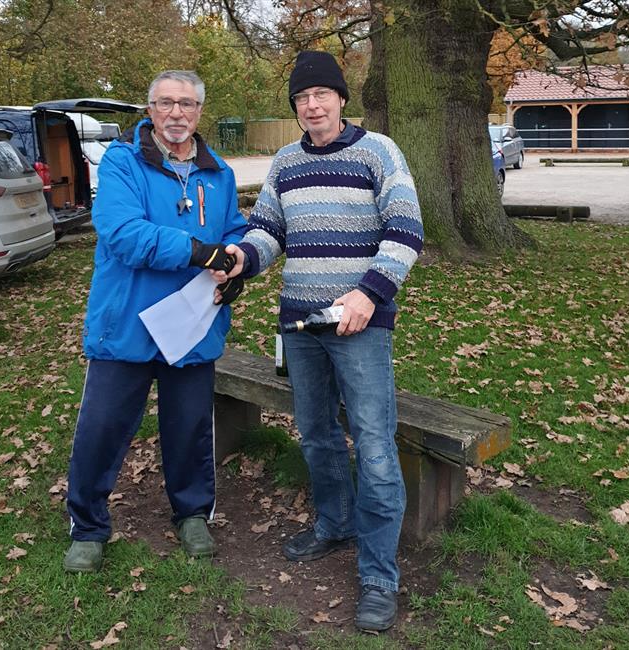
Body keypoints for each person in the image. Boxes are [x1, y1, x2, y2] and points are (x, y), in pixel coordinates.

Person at [223, 51, 424, 632]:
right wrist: (239, 259)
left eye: (321, 94)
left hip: (360, 326)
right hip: (299, 326)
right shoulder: (285, 161)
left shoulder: (378, 152)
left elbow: (406, 231)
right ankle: (334, 525)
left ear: (340, 97)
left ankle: (379, 575)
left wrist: (368, 295)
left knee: (375, 446)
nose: (312, 105)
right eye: (301, 98)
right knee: (316, 436)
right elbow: (267, 232)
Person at [64, 70, 247, 573]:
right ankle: (88, 525)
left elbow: (234, 232)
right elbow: (123, 234)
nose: (176, 114)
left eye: (186, 104)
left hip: (192, 327)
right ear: (149, 109)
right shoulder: (123, 164)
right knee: (102, 428)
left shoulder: (219, 173)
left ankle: (192, 513)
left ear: (199, 113)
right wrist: (197, 251)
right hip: (125, 322)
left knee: (189, 427)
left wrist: (237, 264)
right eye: (165, 103)